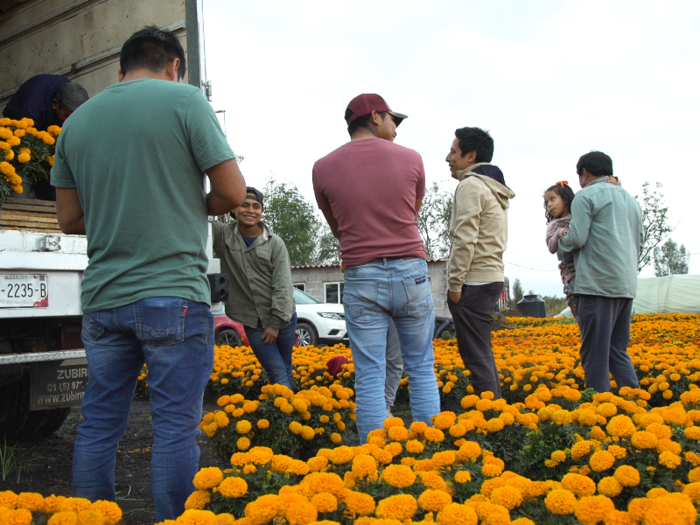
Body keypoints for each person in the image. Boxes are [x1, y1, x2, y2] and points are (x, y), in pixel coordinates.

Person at [51, 26, 246, 521]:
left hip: (102, 300)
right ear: (174, 65)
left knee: (97, 424)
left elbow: (70, 220)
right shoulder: (185, 101)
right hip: (172, 296)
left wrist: (122, 206)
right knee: (175, 426)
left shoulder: (76, 123)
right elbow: (231, 194)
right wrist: (184, 202)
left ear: (120, 70)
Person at [312, 93, 440, 443]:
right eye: (392, 120)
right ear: (374, 117)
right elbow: (410, 214)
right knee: (421, 368)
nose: (396, 128)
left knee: (369, 374)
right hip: (410, 272)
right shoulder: (412, 159)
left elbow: (337, 226)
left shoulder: (322, 167)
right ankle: (433, 456)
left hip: (361, 274)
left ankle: (374, 462)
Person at [558, 151, 642, 393]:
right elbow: (640, 241)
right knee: (616, 349)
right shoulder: (630, 199)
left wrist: (561, 240)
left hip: (597, 283)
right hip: (625, 284)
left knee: (595, 351)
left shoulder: (585, 196)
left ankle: (597, 410)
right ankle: (635, 402)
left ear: (584, 173)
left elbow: (576, 237)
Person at [445, 127, 515, 399]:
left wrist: (455, 283)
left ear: (470, 156)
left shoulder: (471, 185)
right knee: (481, 351)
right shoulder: (493, 186)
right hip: (491, 275)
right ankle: (494, 409)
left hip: (472, 279)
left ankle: (489, 417)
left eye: (454, 151)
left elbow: (465, 237)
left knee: (475, 354)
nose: (448, 157)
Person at [212, 187, 297, 389]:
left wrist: (274, 324)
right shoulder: (223, 235)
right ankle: (288, 412)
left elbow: (283, 286)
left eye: (256, 206)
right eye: (244, 205)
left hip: (283, 319)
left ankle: (290, 414)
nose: (250, 210)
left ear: (261, 211)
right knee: (276, 370)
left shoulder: (275, 243)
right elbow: (200, 213)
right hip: (252, 320)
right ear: (233, 209)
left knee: (284, 367)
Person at [3, 74, 88, 131]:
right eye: (66, 116)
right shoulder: (33, 108)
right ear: (55, 104)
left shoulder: (69, 90)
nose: (70, 120)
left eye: (75, 116)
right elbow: (30, 140)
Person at [544, 181, 578, 319]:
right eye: (546, 203)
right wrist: (559, 232)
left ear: (565, 198)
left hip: (586, 263)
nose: (549, 205)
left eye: (552, 199)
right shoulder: (554, 224)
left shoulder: (578, 215)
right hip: (569, 266)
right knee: (574, 297)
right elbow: (551, 248)